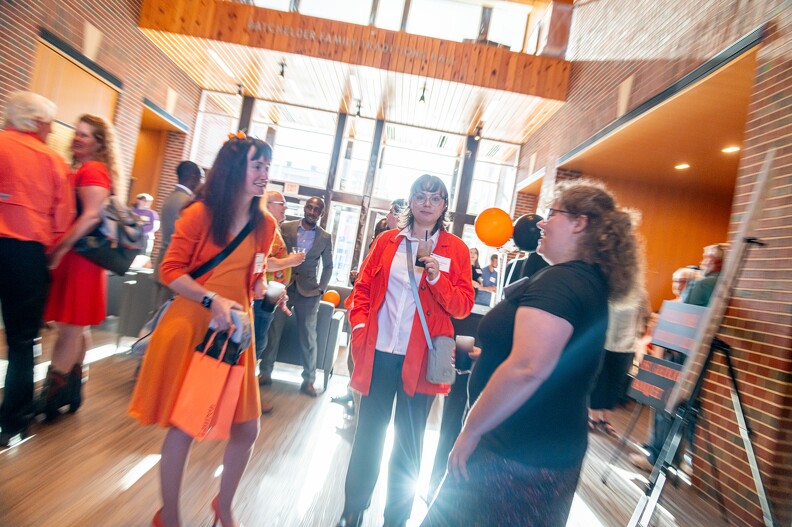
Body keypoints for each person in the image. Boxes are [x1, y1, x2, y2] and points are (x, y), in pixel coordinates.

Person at [422, 179, 641, 527]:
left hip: (513, 455)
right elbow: (554, 362)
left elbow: (528, 368)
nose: (540, 222)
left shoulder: (562, 282)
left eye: (552, 213)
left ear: (579, 222)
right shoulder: (583, 281)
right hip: (538, 450)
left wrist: (471, 430)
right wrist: (488, 356)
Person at [128, 135, 277, 527]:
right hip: (195, 325)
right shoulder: (199, 215)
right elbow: (170, 271)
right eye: (257, 165)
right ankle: (170, 517)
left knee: (247, 428)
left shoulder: (266, 224)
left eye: (267, 166)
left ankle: (223, 506)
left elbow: (254, 277)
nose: (264, 174)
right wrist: (213, 300)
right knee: (186, 425)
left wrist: (264, 289)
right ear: (234, 170)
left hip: (235, 333)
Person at [337, 174, 475, 527]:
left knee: (409, 444)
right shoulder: (387, 241)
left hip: (425, 356)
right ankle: (352, 510)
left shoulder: (455, 249)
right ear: (410, 201)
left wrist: (435, 278)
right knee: (369, 434)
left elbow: (462, 307)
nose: (427, 202)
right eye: (420, 195)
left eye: (435, 197)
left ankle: (395, 519)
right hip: (381, 351)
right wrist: (361, 326)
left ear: (444, 205)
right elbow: (363, 287)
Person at [0, 92, 72, 446]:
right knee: (22, 341)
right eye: (50, 123)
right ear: (38, 122)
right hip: (27, 255)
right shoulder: (54, 162)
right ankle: (13, 422)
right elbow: (63, 222)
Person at [39, 115, 122, 421]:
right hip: (82, 259)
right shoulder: (89, 169)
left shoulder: (92, 169)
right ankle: (72, 388)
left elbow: (89, 217)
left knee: (69, 329)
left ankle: (52, 394)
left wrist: (59, 248)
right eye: (76, 133)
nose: (78, 138)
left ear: (99, 143)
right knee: (77, 326)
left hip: (79, 259)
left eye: (86, 135)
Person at [630, 244, 725, 472]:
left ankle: (657, 458)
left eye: (708, 257)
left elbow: (682, 319)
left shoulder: (703, 284)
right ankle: (686, 459)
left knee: (666, 405)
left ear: (717, 261)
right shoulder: (725, 286)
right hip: (704, 358)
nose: (703, 260)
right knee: (692, 410)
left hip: (679, 354)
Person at [267, 196, 333, 397]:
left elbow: (329, 266)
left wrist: (321, 288)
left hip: (309, 292)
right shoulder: (286, 227)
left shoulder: (325, 237)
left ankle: (309, 381)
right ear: (305, 208)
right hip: (283, 287)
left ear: (321, 214)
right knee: (273, 331)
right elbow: (275, 253)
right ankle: (265, 372)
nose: (312, 212)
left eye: (317, 210)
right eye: (310, 207)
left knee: (308, 336)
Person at [256, 190, 305, 391]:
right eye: (281, 203)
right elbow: (262, 262)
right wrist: (291, 261)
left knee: (260, 343)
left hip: (271, 295)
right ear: (267, 204)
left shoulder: (275, 228)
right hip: (260, 295)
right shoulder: (263, 226)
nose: (285, 207)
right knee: (256, 344)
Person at [589, 293, 650, 437]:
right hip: (604, 343)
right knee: (599, 381)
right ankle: (593, 418)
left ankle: (606, 420)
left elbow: (645, 317)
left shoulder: (641, 295)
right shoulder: (608, 289)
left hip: (627, 346)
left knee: (615, 383)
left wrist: (640, 342)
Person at [158, 161, 203, 264]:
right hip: (173, 264)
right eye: (201, 178)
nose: (201, 183)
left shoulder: (173, 197)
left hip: (165, 261)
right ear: (194, 177)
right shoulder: (185, 201)